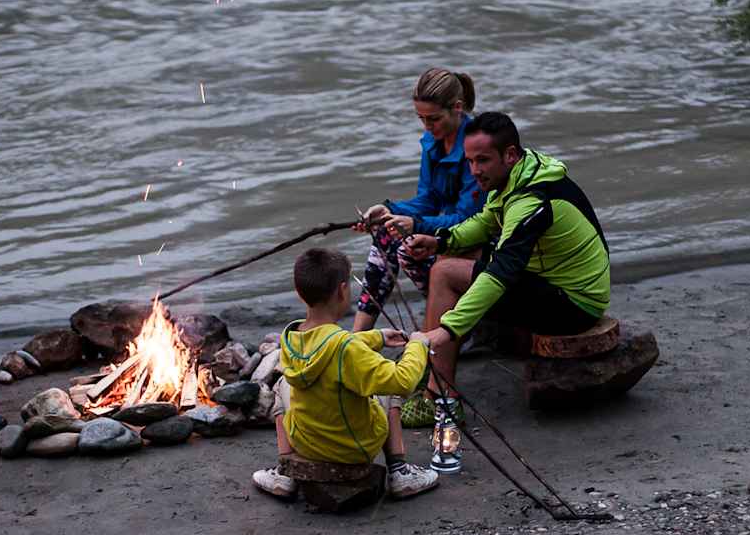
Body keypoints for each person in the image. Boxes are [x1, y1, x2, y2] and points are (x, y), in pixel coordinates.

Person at [402, 112, 610, 472]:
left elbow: (501, 272)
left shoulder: (531, 201)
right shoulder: (523, 173)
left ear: (509, 155)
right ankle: (437, 377)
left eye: (482, 160)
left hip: (574, 303)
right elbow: (486, 222)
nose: (474, 170)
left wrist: (448, 328)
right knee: (448, 261)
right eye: (469, 161)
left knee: (446, 274)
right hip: (551, 283)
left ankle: (441, 394)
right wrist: (439, 240)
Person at [252, 248, 442, 501]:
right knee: (386, 390)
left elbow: (329, 345)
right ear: (342, 290)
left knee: (282, 385)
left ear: (299, 293)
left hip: (305, 443)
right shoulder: (346, 349)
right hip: (354, 448)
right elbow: (402, 381)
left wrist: (376, 337)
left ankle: (285, 471)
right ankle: (400, 472)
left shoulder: (293, 336)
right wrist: (418, 344)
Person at [352, 68, 484, 340]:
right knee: (385, 233)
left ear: (457, 109)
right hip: (452, 233)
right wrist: (390, 211)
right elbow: (429, 199)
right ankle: (357, 337)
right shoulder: (433, 143)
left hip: (480, 240)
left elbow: (469, 218)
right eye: (421, 119)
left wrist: (416, 225)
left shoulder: (477, 149)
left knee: (409, 249)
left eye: (433, 119)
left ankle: (454, 323)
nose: (427, 126)